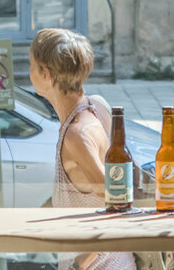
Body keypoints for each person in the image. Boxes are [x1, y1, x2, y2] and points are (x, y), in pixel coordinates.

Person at [27, 29, 136, 270]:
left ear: (46, 74)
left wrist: (82, 261)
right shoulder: (95, 106)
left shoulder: (77, 135)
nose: (29, 72)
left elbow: (117, 201)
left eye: (31, 65)